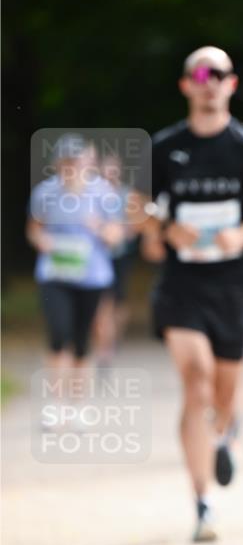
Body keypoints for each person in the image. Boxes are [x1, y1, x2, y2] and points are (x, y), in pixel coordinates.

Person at [130, 46, 243, 543]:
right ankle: (202, 502)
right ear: (185, 85)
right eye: (198, 73)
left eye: (216, 73)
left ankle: (224, 435)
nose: (207, 81)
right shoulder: (164, 147)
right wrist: (164, 225)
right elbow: (137, 206)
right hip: (182, 285)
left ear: (231, 84)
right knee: (195, 379)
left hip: (234, 285)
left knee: (224, 391)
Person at [27, 134, 124, 421]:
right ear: (58, 164)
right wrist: (41, 241)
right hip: (54, 273)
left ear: (88, 163)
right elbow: (34, 228)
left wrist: (102, 230)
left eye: (78, 161)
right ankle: (57, 405)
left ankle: (78, 404)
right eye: (67, 162)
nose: (72, 167)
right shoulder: (45, 193)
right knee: (58, 334)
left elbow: (117, 234)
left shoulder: (103, 193)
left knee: (82, 340)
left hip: (92, 275)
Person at [93, 152, 137, 368]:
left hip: (121, 255)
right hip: (98, 255)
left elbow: (136, 224)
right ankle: (104, 343)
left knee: (119, 300)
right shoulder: (93, 193)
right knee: (103, 300)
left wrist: (123, 231)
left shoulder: (127, 195)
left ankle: (113, 337)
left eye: (113, 169)